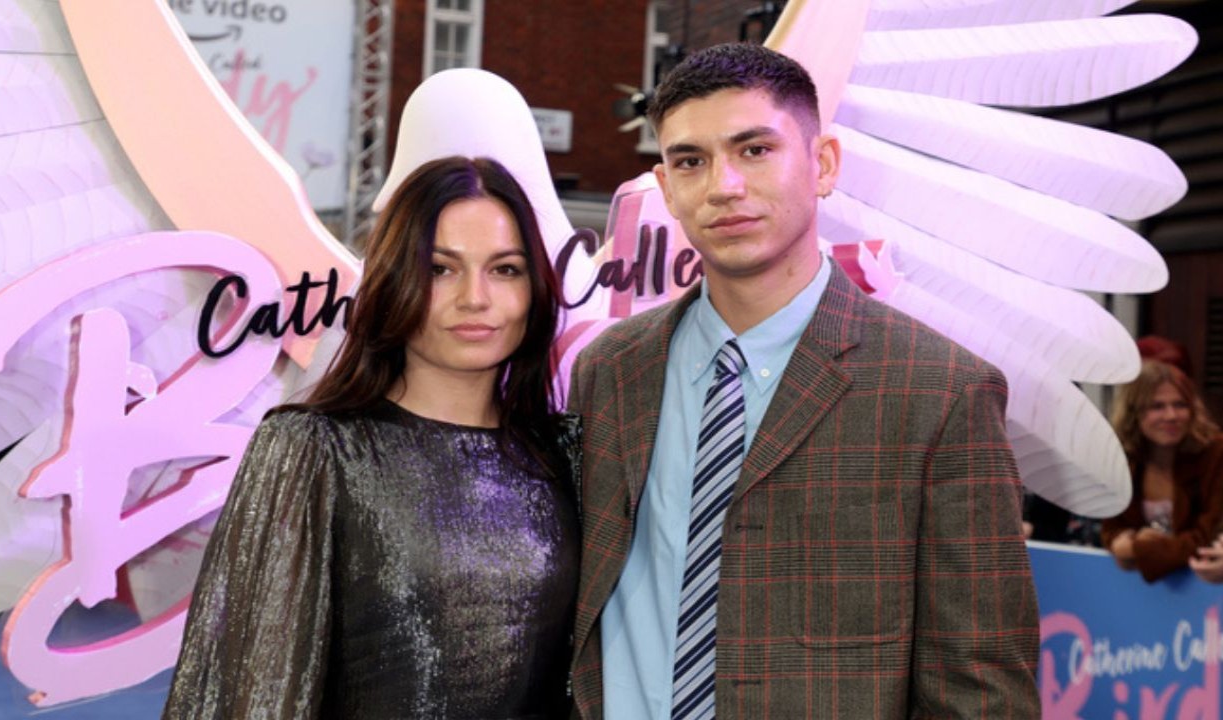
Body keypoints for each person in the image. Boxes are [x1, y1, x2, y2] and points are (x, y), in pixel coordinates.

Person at [567, 43, 1040, 719]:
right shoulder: (609, 371)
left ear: (822, 165)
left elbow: (981, 693)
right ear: (666, 187)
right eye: (690, 161)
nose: (723, 185)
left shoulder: (941, 393)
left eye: (754, 149)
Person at [163, 156, 579, 719]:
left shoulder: (565, 454)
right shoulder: (314, 449)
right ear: (392, 280)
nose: (476, 299)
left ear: (535, 289)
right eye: (440, 270)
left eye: (505, 269)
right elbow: (254, 684)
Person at [1102, 359, 1223, 583]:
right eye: (1157, 406)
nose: (1171, 416)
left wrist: (1136, 548)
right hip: (1143, 598)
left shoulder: (1216, 454)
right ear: (1134, 413)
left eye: (1180, 405)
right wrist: (1122, 544)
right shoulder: (1124, 461)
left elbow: (1206, 540)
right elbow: (1111, 530)